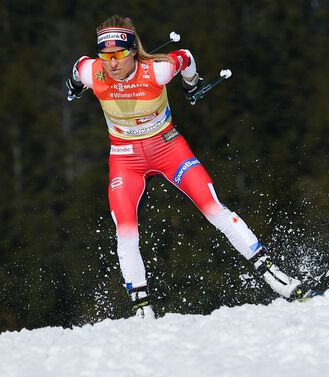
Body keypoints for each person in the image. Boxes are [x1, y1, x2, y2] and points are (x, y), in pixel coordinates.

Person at [66, 15, 303, 318]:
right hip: (125, 158)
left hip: (167, 148)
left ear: (133, 52)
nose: (112, 63)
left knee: (213, 209)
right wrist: (73, 85)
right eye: (106, 55)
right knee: (125, 231)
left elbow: (186, 57)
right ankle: (142, 310)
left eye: (120, 54)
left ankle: (276, 277)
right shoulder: (93, 71)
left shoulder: (157, 70)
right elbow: (77, 69)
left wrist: (193, 83)